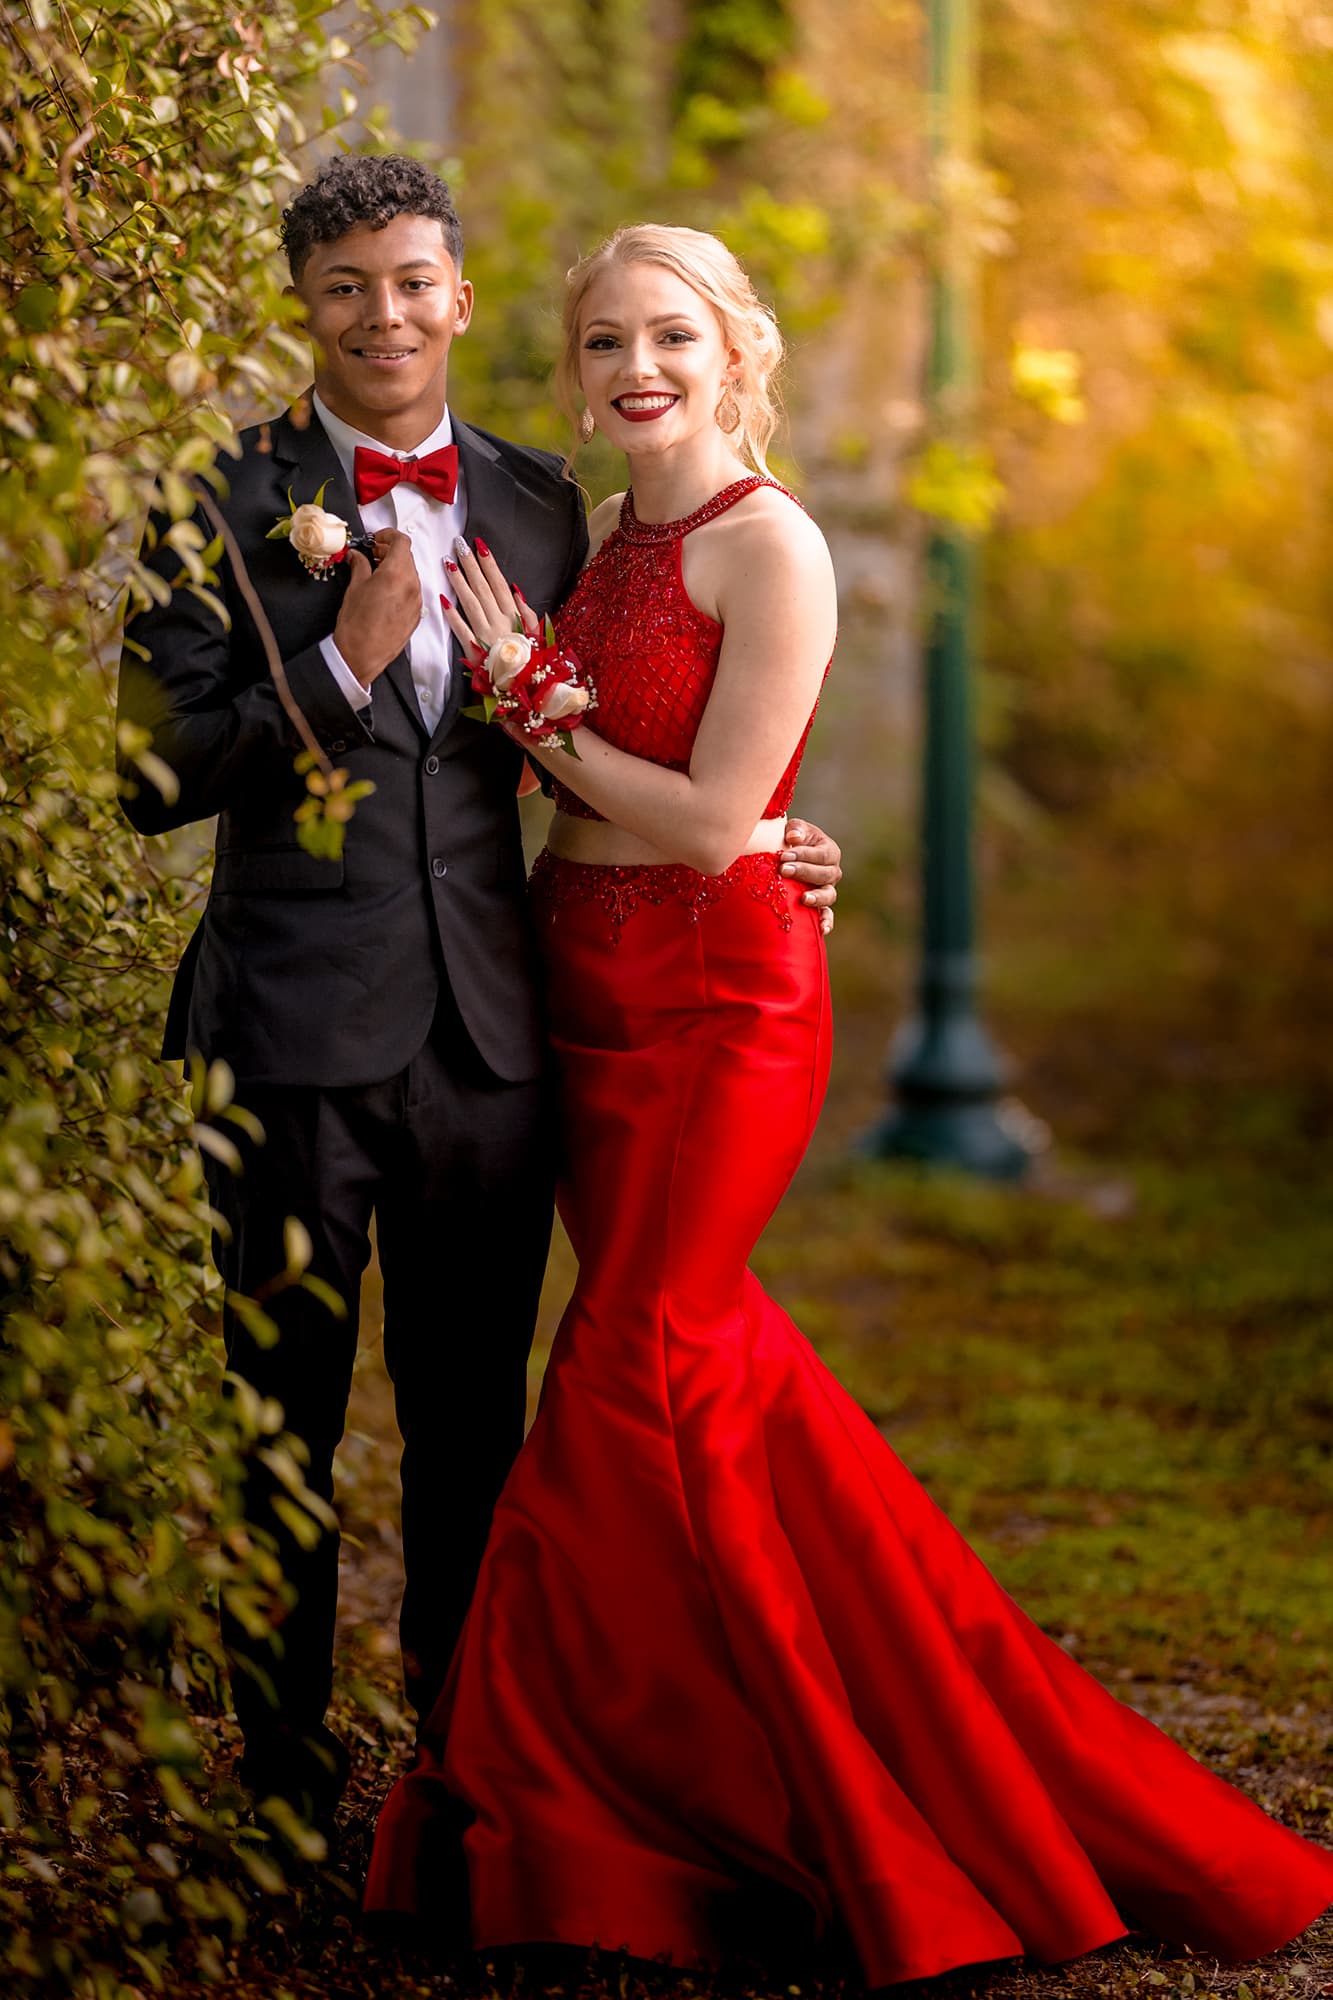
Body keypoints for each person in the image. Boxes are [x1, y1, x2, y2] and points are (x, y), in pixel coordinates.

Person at [363, 224, 1333, 1983]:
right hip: (573, 979)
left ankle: (547, 1796)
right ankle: (842, 1745)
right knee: (712, 1378)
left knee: (629, 1359)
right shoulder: (608, 540)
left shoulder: (773, 545)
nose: (634, 367)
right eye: (602, 343)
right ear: (573, 373)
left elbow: (720, 821)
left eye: (669, 335)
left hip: (718, 998)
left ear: (735, 349)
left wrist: (529, 705)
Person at [116, 161, 843, 1835]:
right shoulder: (219, 494)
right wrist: (346, 659)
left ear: (458, 296)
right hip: (290, 1032)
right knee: (281, 1425)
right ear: (305, 301)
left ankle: (462, 1765)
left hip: (501, 1038)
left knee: (475, 1426)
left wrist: (774, 833)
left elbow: (636, 745)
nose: (386, 315)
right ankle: (281, 1782)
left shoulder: (539, 506)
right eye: (348, 285)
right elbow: (152, 774)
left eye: (416, 281)